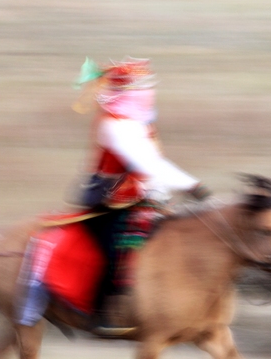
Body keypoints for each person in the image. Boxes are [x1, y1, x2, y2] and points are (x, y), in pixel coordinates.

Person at [72, 57, 210, 336]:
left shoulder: (140, 123)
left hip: (145, 196)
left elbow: (153, 166)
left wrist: (168, 193)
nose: (147, 93)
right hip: (112, 200)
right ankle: (101, 308)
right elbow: (145, 163)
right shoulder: (113, 125)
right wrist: (190, 185)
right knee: (113, 247)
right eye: (140, 88)